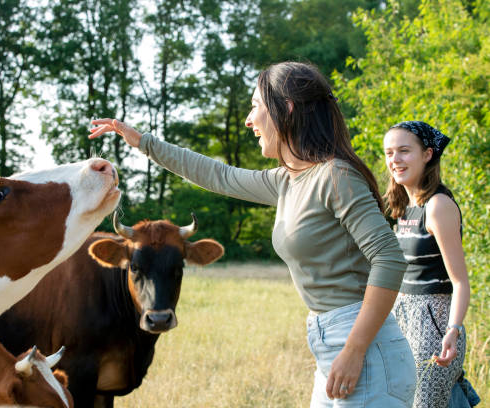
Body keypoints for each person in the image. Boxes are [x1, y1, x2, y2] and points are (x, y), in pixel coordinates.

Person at [89, 61, 416, 407]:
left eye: (256, 106)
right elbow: (218, 175)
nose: (248, 120)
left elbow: (389, 258)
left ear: (286, 109)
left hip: (363, 348)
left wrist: (354, 349)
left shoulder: (336, 176)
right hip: (332, 341)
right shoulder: (288, 180)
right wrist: (143, 142)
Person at [383, 121, 476, 408]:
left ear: (427, 154)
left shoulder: (437, 206)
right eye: (389, 153)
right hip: (403, 319)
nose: (395, 160)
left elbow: (460, 282)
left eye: (403, 151)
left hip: (434, 325)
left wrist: (453, 330)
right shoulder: (404, 208)